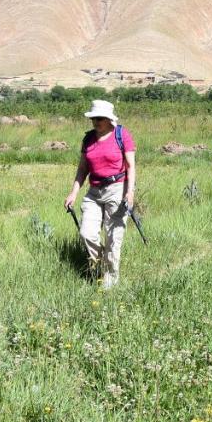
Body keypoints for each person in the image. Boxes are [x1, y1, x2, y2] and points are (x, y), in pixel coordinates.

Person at [64, 99, 137, 290]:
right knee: (86, 233)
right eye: (93, 118)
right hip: (94, 192)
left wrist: (130, 192)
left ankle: (110, 281)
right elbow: (82, 169)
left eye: (100, 118)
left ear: (109, 119)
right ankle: (103, 263)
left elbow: (131, 166)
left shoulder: (122, 135)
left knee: (114, 237)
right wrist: (73, 193)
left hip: (117, 189)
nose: (96, 121)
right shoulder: (88, 139)